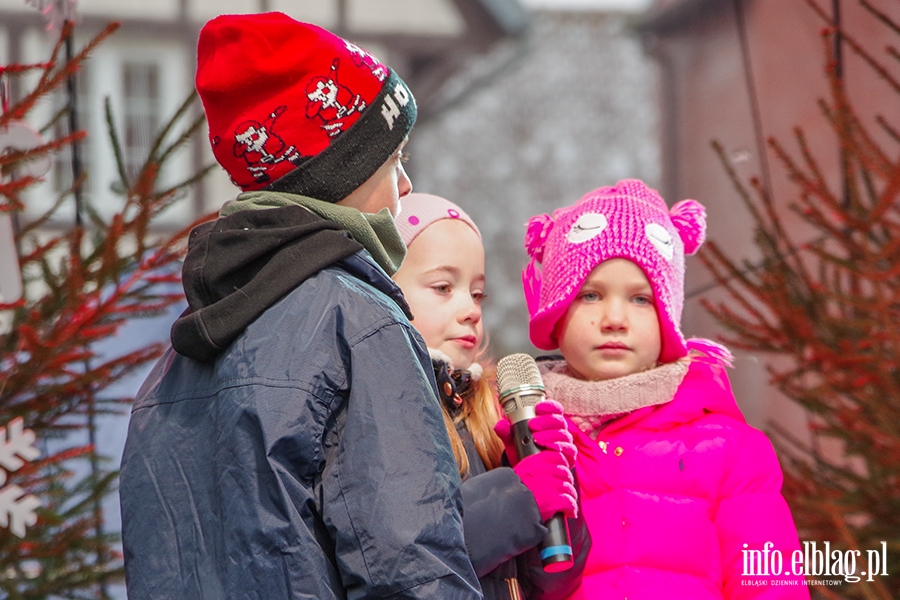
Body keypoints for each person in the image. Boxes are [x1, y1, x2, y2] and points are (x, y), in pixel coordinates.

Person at [119, 13, 481, 599]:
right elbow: (408, 564)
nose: (406, 187)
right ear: (342, 171)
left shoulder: (175, 363)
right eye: (394, 161)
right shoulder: (361, 323)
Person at [520, 179, 809, 599]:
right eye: (591, 295)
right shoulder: (524, 434)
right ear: (556, 312)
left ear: (667, 319)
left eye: (641, 299)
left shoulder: (729, 450)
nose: (614, 318)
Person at [393, 193, 590, 600]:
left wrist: (558, 494)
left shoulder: (489, 414)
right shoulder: (390, 408)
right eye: (444, 287)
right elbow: (408, 557)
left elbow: (556, 583)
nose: (471, 309)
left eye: (478, 293)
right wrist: (518, 496)